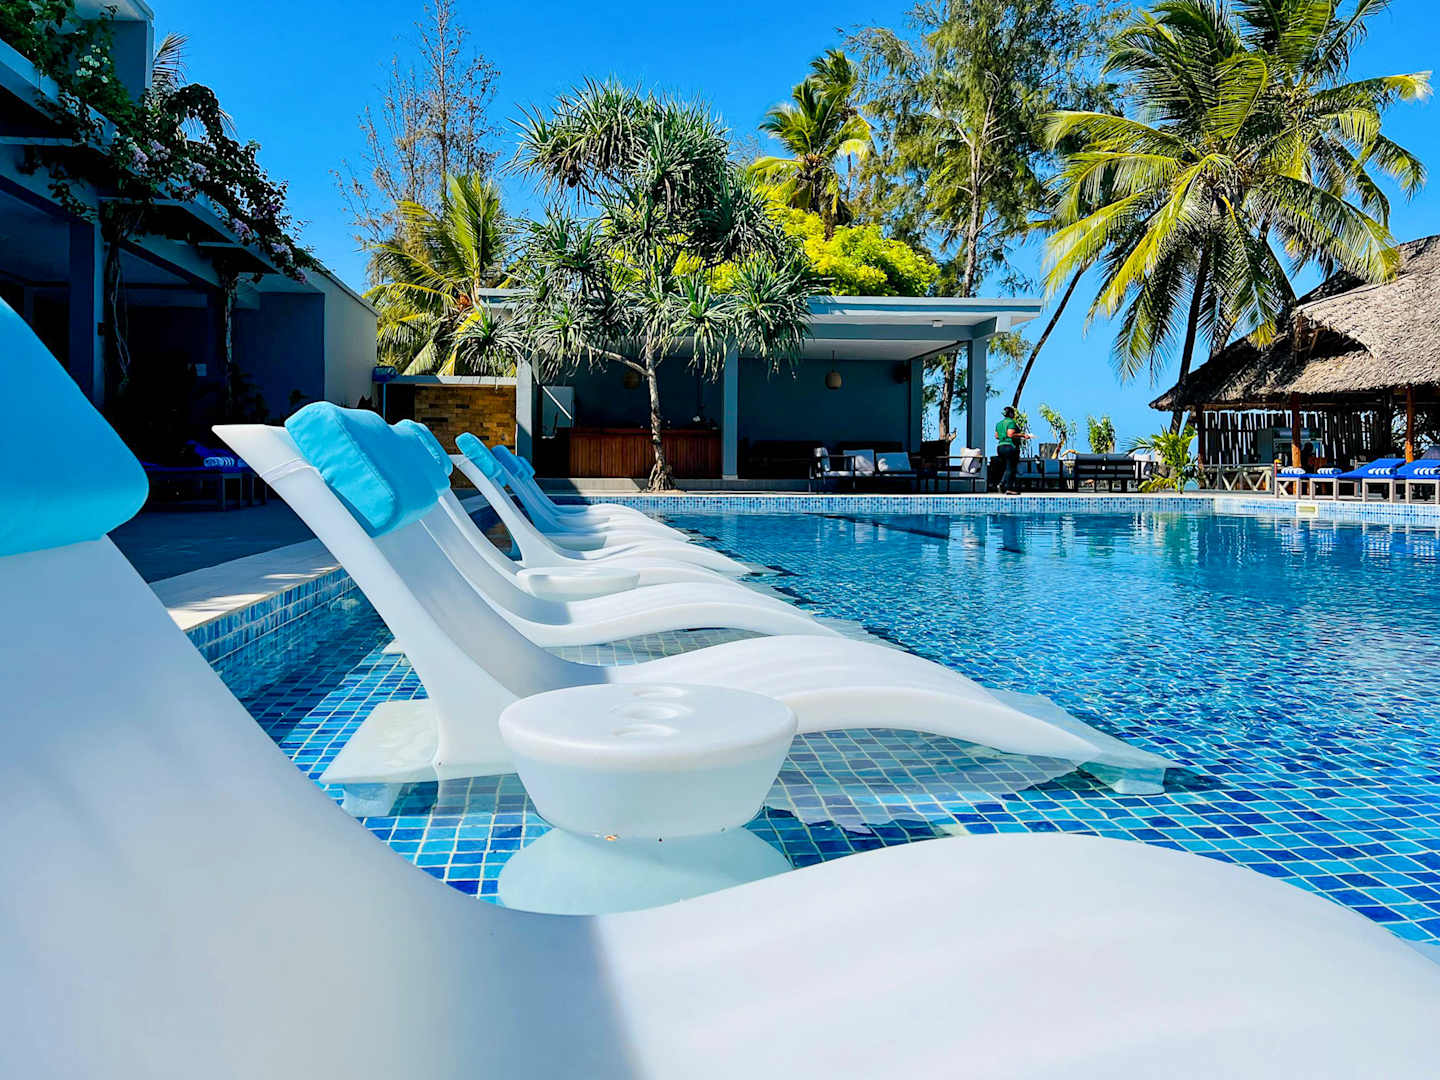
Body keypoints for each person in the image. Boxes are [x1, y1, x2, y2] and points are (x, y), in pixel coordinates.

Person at [994, 406, 1032, 495]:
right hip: (1009, 446)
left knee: (1007, 468)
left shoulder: (999, 424)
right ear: (1010, 414)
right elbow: (1010, 434)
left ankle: (1004, 486)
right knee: (1011, 468)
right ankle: (1006, 486)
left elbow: (996, 436)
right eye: (1013, 413)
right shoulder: (1011, 422)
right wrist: (1023, 435)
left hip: (1000, 447)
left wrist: (1003, 436)